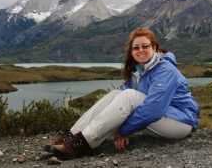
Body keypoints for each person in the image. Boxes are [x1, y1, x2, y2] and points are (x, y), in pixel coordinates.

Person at [44, 28, 200, 159]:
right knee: (115, 94)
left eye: (145, 46)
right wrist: (125, 128)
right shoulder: (137, 71)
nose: (141, 50)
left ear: (155, 47)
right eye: (136, 47)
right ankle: (70, 137)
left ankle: (82, 144)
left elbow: (153, 110)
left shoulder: (165, 70)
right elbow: (123, 105)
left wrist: (123, 130)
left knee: (129, 95)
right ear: (131, 51)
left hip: (180, 123)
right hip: (160, 120)